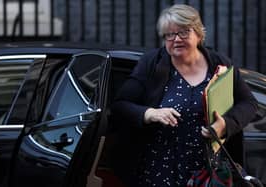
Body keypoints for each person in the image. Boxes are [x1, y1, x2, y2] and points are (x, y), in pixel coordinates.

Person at [110, 4, 257, 187]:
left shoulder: (219, 64)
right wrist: (150, 113)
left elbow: (249, 103)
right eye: (169, 35)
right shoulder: (151, 64)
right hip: (159, 170)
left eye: (183, 32)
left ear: (198, 33)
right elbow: (120, 105)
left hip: (208, 173)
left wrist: (225, 125)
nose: (176, 39)